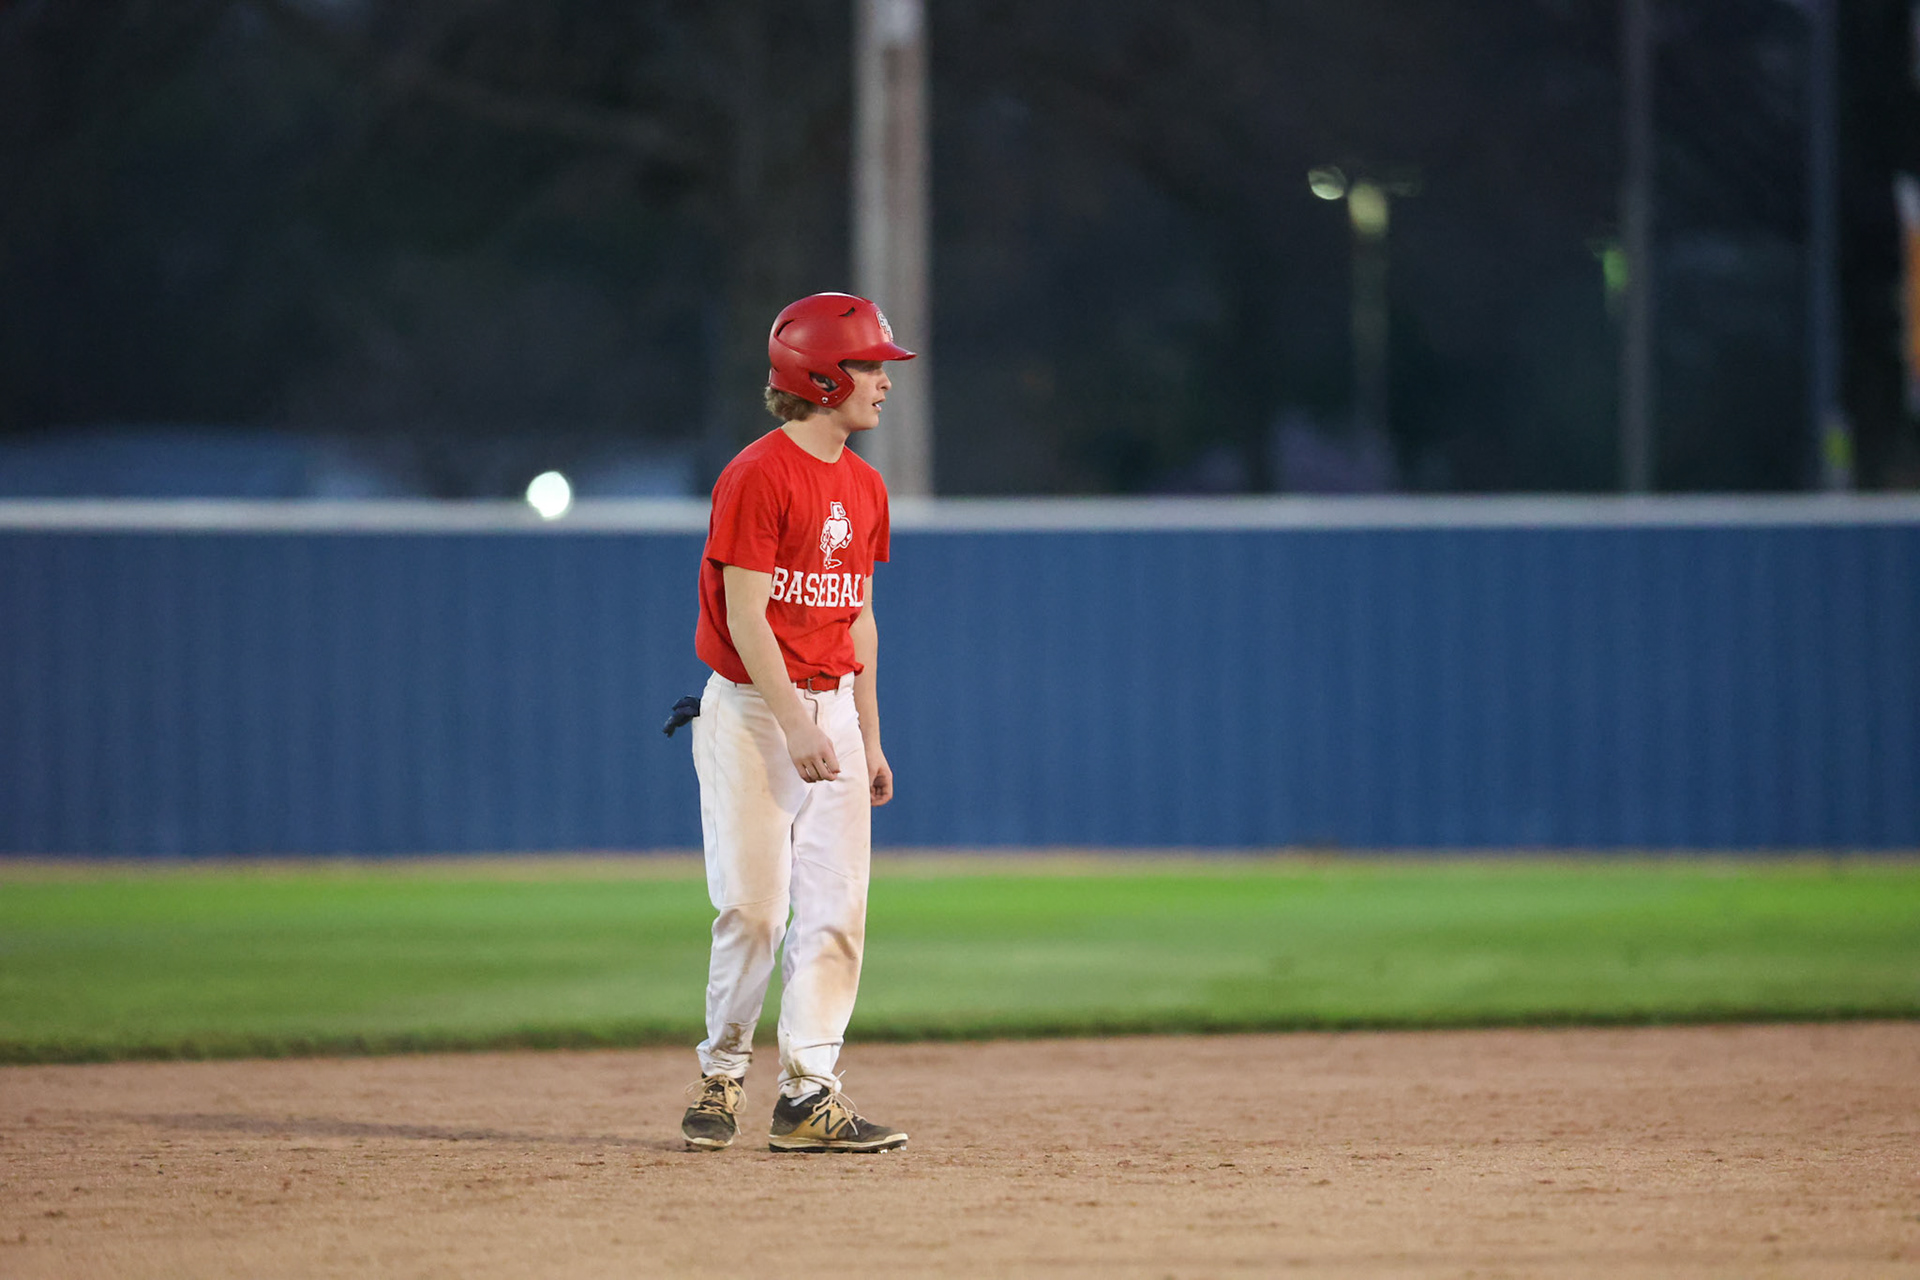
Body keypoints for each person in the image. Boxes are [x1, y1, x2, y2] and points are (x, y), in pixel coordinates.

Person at [678, 292, 914, 1154]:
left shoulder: (866, 485)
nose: (884, 383)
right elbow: (747, 619)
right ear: (819, 377)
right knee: (754, 908)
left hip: (833, 715)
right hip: (752, 712)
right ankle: (724, 1074)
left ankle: (810, 1094)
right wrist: (797, 724)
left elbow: (858, 619)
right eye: (870, 367)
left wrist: (867, 733)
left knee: (836, 910)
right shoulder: (758, 475)